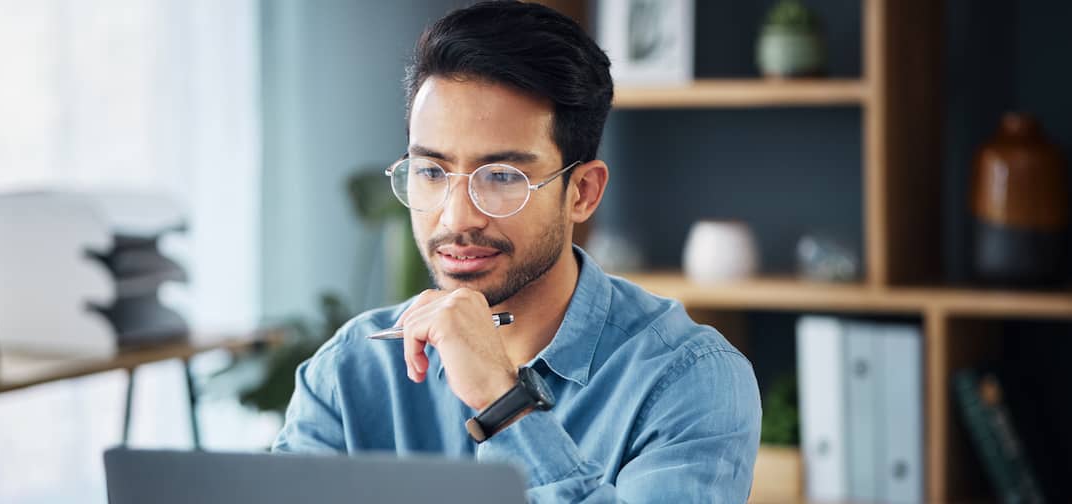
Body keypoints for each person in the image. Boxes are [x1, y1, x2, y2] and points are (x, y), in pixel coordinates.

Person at [273, 2, 761, 501]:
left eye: (503, 177)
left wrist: (504, 404)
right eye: (432, 172)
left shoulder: (690, 379)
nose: (457, 217)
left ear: (583, 193)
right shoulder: (349, 371)